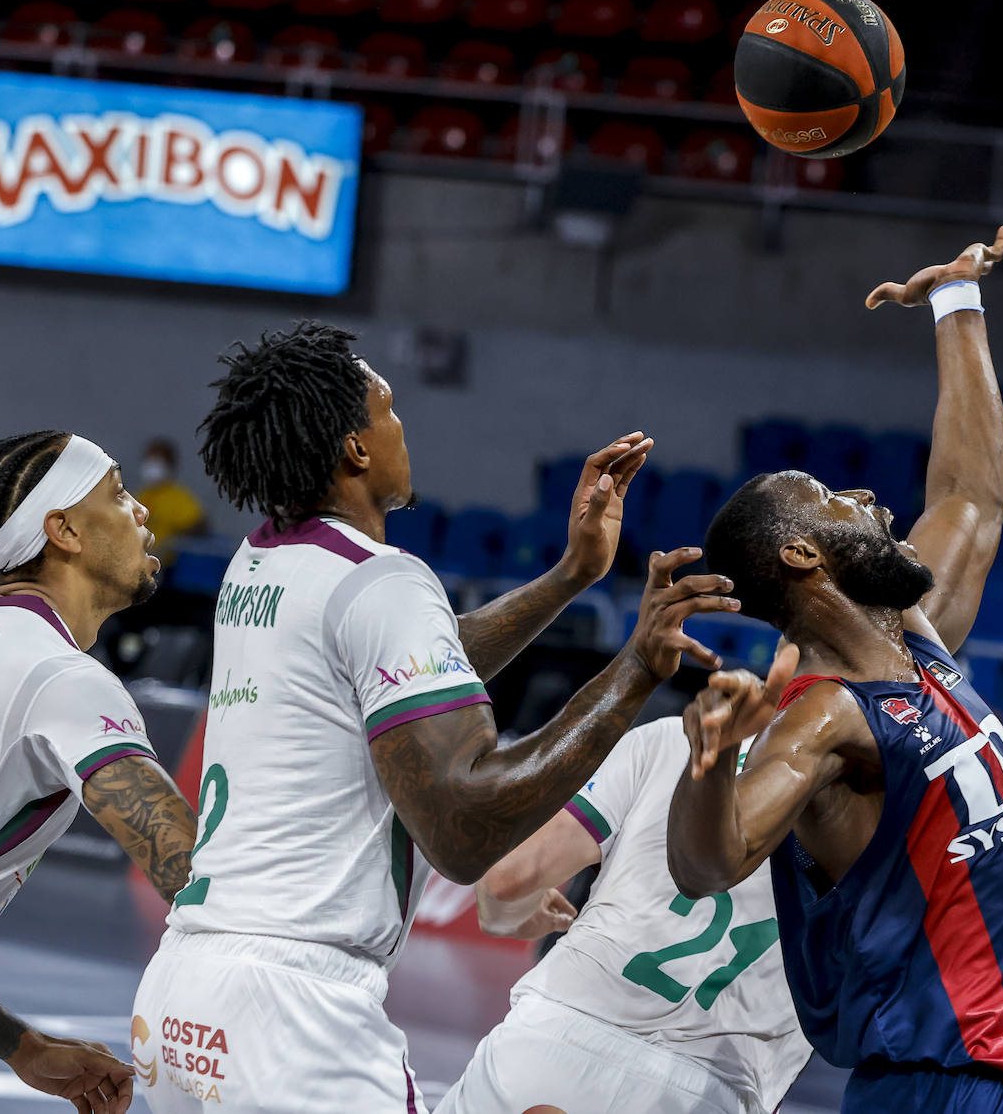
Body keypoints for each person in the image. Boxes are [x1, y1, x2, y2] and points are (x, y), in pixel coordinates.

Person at [132, 322, 738, 1114]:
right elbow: (461, 832)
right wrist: (632, 674)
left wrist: (570, 576)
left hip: (182, 994)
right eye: (388, 410)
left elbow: (419, 673)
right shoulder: (384, 580)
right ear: (355, 448)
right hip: (294, 1018)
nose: (400, 428)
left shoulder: (262, 559)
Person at [669, 229, 1003, 1114]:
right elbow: (711, 864)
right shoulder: (821, 720)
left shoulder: (917, 639)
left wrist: (956, 303)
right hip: (940, 1088)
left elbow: (972, 497)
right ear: (800, 554)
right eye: (837, 501)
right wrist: (707, 770)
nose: (869, 499)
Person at [0, 431, 202, 1114]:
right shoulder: (64, 678)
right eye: (117, 493)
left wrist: (22, 1047)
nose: (142, 511)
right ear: (64, 531)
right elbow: (193, 878)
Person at [436, 704, 812, 1114]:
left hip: (556, 1035)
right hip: (711, 1087)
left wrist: (504, 915)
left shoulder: (674, 739)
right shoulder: (871, 820)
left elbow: (508, 880)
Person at [134, 439, 208, 563]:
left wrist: (175, 542)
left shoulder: (178, 497)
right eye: (150, 459)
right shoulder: (142, 494)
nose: (153, 465)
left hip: (164, 564)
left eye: (158, 461)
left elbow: (200, 524)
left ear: (169, 465)